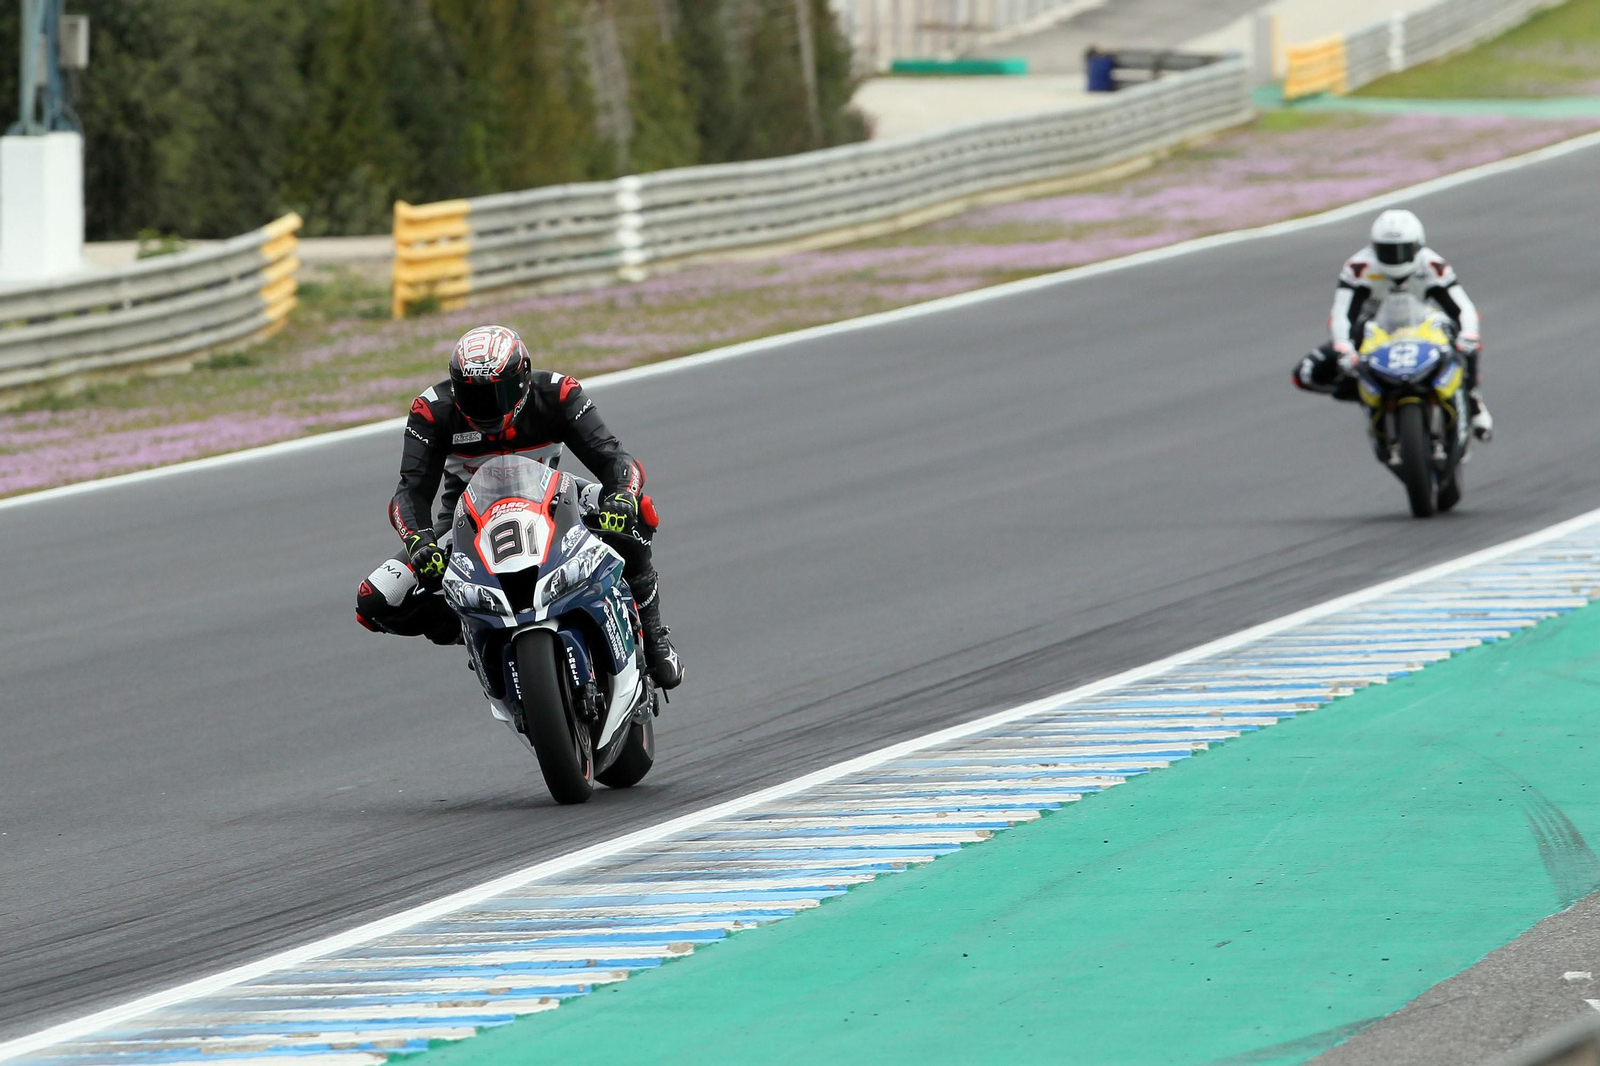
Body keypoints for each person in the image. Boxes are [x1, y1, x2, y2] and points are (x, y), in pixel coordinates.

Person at [355, 324, 684, 689]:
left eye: (501, 392)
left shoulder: (559, 393)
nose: (488, 407)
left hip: (555, 497)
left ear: (524, 377)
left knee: (637, 515)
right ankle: (474, 629)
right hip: (467, 520)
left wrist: (622, 495)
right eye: (473, 395)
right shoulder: (432, 411)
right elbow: (409, 492)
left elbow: (616, 459)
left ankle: (654, 636)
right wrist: (419, 541)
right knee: (375, 600)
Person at [1292, 208, 1493, 441]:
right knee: (1305, 373)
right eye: (1387, 250)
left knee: (1463, 343)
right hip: (1375, 329)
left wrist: (1469, 336)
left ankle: (1473, 400)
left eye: (1402, 250)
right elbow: (1342, 313)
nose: (1395, 257)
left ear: (1417, 246)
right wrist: (1343, 346)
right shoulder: (1358, 268)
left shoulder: (1433, 265)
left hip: (1424, 325)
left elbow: (1462, 307)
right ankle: (1368, 392)